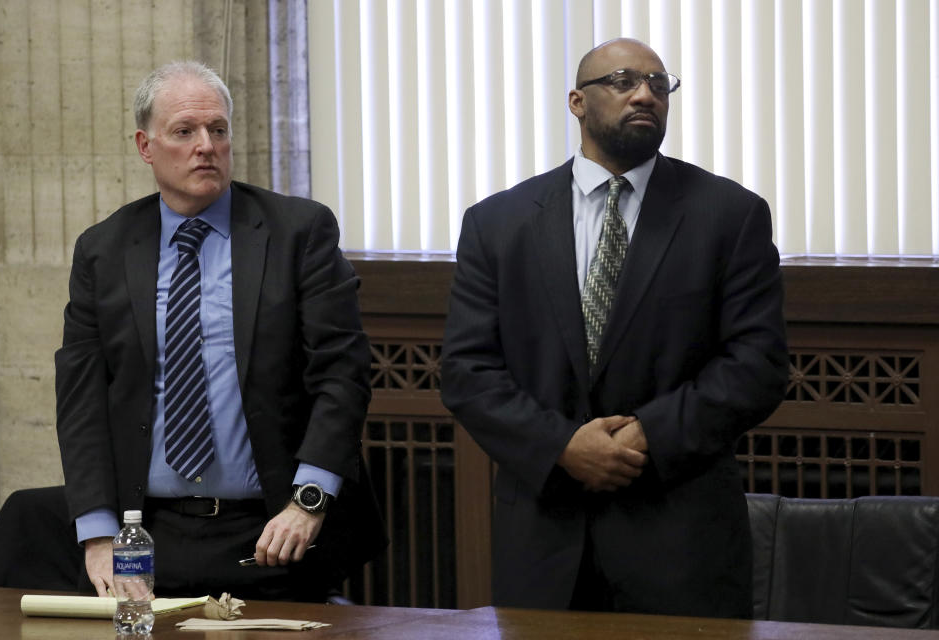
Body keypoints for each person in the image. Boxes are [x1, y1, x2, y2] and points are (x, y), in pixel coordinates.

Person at [440, 38, 788, 617]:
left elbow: (757, 365)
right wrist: (562, 446)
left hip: (679, 539)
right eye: (624, 81)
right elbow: (468, 373)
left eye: (659, 84)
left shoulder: (729, 215)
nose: (645, 94)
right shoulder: (497, 224)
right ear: (577, 102)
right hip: (544, 540)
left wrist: (645, 435)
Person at [54, 61, 385, 602]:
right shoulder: (104, 249)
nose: (206, 145)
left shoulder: (297, 231)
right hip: (148, 533)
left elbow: (343, 375)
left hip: (277, 528)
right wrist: (97, 534)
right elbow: (81, 398)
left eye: (219, 130)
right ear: (146, 145)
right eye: (185, 132)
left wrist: (309, 500)